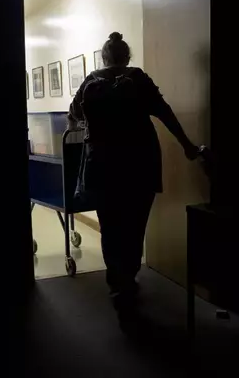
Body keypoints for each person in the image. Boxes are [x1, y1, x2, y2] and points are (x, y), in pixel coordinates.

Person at [68, 32, 200, 324]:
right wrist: (188, 146)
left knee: (111, 227)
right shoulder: (138, 79)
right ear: (127, 56)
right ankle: (127, 279)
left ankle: (119, 286)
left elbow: (74, 116)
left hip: (102, 167)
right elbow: (165, 114)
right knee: (134, 226)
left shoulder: (90, 82)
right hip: (140, 165)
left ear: (104, 58)